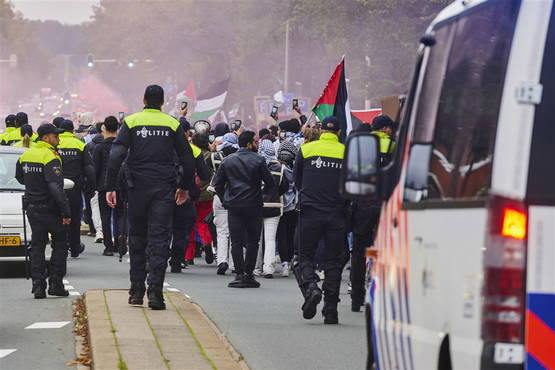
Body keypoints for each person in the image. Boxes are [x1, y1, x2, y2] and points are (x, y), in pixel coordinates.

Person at [106, 84, 195, 310]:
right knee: (159, 240)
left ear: (144, 100)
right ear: (162, 102)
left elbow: (116, 155)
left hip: (136, 189)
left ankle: (136, 292)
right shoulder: (172, 123)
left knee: (136, 238)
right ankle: (156, 294)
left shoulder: (132, 122)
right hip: (164, 190)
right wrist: (184, 187)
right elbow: (187, 158)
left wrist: (110, 187)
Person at [293, 116, 347, 324]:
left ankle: (311, 287)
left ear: (322, 130)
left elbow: (296, 180)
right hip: (337, 213)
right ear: (339, 133)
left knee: (304, 256)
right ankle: (331, 310)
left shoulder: (306, 150)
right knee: (333, 261)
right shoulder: (346, 152)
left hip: (309, 211)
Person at [15, 123, 71, 299]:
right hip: (50, 208)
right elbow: (55, 186)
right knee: (60, 243)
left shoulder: (26, 154)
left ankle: (38, 286)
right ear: (46, 137)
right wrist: (66, 212)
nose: (59, 140)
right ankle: (56, 284)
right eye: (56, 137)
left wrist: (34, 187)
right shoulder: (50, 156)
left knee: (37, 246)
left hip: (32, 208)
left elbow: (19, 177)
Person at [213, 131, 274, 288]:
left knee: (236, 241)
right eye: (255, 142)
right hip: (253, 205)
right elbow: (270, 183)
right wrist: (261, 194)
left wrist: (225, 199)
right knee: (253, 241)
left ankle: (239, 274)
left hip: (234, 205)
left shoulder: (228, 161)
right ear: (248, 144)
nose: (258, 144)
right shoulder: (259, 160)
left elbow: (217, 184)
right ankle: (249, 273)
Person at [169, 117, 210, 273]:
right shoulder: (194, 150)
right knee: (182, 229)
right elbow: (205, 174)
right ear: (186, 133)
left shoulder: (159, 147)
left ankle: (159, 256)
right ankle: (176, 261)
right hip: (185, 195)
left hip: (162, 194)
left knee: (161, 228)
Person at [58, 119, 95, 258]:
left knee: (57, 219)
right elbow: (89, 169)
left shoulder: (54, 144)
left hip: (56, 189)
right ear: (72, 130)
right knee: (74, 220)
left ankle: (60, 246)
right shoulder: (80, 145)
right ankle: (74, 247)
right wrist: (90, 188)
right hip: (74, 189)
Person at [254, 139, 288, 278]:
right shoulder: (281, 168)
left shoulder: (255, 165)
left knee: (256, 239)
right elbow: (284, 187)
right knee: (270, 239)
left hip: (256, 206)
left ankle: (256, 268)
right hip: (274, 206)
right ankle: (269, 268)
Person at [92, 116, 123, 256]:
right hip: (120, 186)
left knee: (105, 217)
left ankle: (108, 246)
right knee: (120, 215)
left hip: (104, 186)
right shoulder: (123, 146)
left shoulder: (99, 147)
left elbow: (95, 169)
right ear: (118, 127)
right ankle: (120, 242)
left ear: (104, 127)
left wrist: (94, 186)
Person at [209, 132, 238, 275]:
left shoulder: (215, 157)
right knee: (235, 231)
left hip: (219, 195)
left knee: (221, 231)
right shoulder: (239, 156)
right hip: (236, 195)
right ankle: (234, 263)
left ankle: (222, 260)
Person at [184, 131, 214, 265]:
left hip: (191, 193)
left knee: (188, 224)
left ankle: (188, 255)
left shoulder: (190, 154)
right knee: (204, 222)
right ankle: (206, 242)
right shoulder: (212, 156)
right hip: (207, 194)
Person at [276, 141, 298, 277]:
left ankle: (284, 262)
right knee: (291, 235)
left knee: (281, 235)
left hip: (279, 206)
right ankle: (290, 260)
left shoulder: (276, 170)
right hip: (293, 207)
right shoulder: (295, 171)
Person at [85, 122, 105, 243]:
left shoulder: (89, 145)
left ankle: (98, 231)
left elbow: (90, 167)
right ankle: (113, 235)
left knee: (95, 207)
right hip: (111, 184)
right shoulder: (115, 144)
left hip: (96, 183)